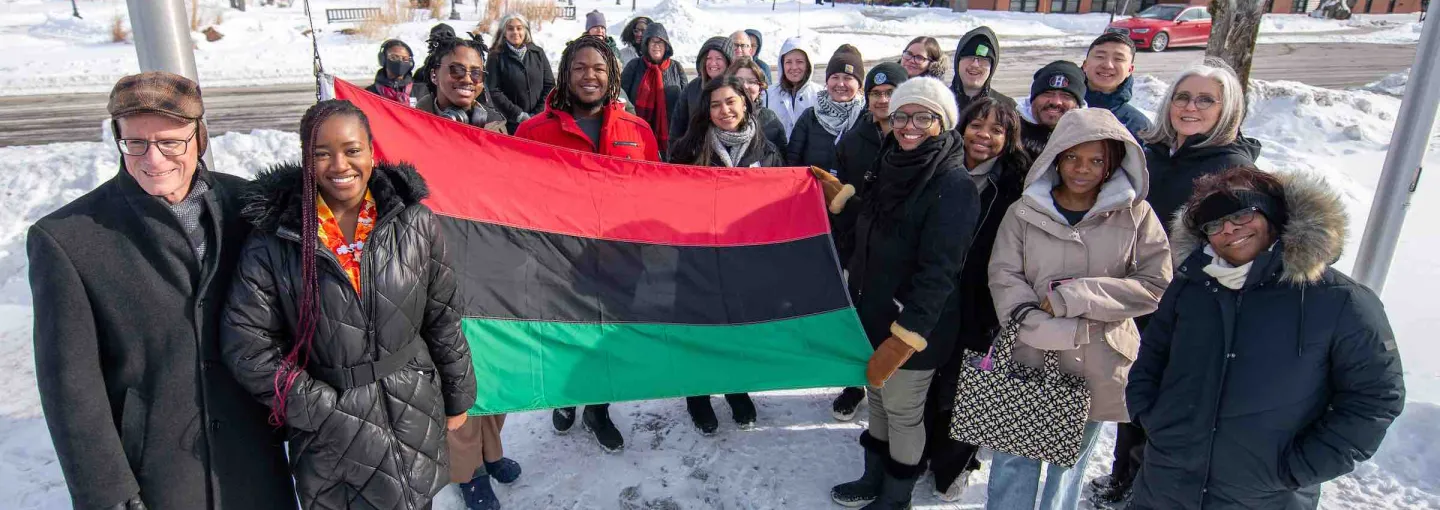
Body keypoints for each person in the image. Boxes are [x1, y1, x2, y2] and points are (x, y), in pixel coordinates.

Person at [28, 71, 297, 510]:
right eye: (136, 143)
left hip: (255, 463)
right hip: (157, 474)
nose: (153, 159)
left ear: (199, 137)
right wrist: (106, 492)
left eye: (170, 142)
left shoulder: (249, 206)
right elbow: (70, 386)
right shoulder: (67, 239)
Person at [221, 99, 477, 510]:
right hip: (331, 434)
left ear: (372, 152)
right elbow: (246, 347)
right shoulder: (275, 241)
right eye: (322, 153)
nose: (339, 164)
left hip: (412, 409)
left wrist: (458, 392)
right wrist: (318, 408)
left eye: (352, 150)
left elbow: (442, 315)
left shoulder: (415, 223)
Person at [1127, 166, 1406, 510]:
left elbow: (1375, 397)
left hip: (1267, 497)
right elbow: (1153, 355)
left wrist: (1301, 467)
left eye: (1242, 214)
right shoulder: (1191, 287)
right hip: (1164, 489)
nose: (1228, 229)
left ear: (1273, 214)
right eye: (1213, 223)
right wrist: (1151, 417)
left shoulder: (1340, 300)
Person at [985, 107, 1172, 510]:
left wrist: (1079, 296)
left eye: (1096, 160)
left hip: (1098, 359)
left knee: (1065, 466)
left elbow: (1154, 283)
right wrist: (1032, 321)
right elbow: (1004, 275)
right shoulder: (1023, 211)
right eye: (1072, 157)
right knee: (1014, 460)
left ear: (1113, 163)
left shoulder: (1136, 214)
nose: (1082, 169)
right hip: (1028, 352)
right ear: (1056, 156)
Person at [818, 76, 980, 510]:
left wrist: (905, 336)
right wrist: (845, 200)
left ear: (942, 123)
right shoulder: (889, 163)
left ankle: (895, 498)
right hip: (873, 314)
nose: (909, 125)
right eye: (901, 116)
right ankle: (873, 479)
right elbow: (878, 228)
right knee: (879, 404)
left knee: (904, 413)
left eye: (923, 117)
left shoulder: (953, 185)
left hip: (914, 330)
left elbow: (939, 273)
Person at [516, 37, 660, 453]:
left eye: (598, 68)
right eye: (579, 67)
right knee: (565, 334)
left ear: (612, 74)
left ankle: (598, 408)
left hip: (619, 259)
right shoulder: (533, 132)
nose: (589, 76)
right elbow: (517, 195)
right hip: (558, 259)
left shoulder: (638, 131)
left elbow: (655, 192)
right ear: (565, 74)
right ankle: (563, 399)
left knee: (605, 338)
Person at [923, 96, 1033, 502]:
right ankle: (921, 452)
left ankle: (954, 464)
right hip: (934, 297)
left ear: (1009, 139)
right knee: (926, 381)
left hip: (981, 304)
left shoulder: (1014, 187)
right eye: (977, 125)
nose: (984, 136)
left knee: (965, 387)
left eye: (997, 130)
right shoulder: (938, 169)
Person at [827, 62, 909, 424]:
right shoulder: (854, 138)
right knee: (858, 318)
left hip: (900, 250)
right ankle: (854, 385)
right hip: (859, 246)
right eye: (875, 93)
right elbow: (841, 194)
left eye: (889, 93)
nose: (881, 100)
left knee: (891, 320)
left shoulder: (915, 139)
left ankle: (887, 383)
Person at [1144, 59, 1262, 236]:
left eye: (1205, 100)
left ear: (1227, 110)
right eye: (1182, 97)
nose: (1190, 107)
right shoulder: (1150, 155)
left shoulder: (1234, 169)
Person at [786, 44, 865, 173]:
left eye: (848, 78)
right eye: (835, 77)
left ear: (859, 84)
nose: (840, 84)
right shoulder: (811, 117)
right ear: (827, 81)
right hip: (814, 191)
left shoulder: (866, 118)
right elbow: (792, 162)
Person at [620, 22, 686, 161]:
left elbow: (686, 100)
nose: (656, 46)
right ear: (646, 45)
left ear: (666, 46)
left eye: (660, 42)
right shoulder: (634, 66)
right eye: (652, 42)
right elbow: (621, 96)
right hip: (637, 131)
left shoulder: (676, 67)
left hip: (670, 134)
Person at [419, 36, 507, 132]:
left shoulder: (495, 128)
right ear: (434, 75)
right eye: (456, 70)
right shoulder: (411, 125)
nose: (467, 80)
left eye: (476, 73)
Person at [487, 13, 555, 133]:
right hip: (510, 123)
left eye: (519, 28)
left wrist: (538, 113)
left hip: (539, 121)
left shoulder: (537, 53)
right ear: (504, 32)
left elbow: (549, 85)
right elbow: (493, 90)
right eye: (510, 28)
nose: (515, 32)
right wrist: (518, 114)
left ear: (525, 30)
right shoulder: (495, 56)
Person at [1082, 32, 1152, 143]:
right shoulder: (1059, 108)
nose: (1108, 65)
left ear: (1130, 69)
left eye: (1118, 59)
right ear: (1085, 65)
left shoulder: (1138, 125)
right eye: (1100, 57)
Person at [669, 36, 735, 147]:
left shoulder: (736, 87)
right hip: (695, 153)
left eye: (719, 59)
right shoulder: (692, 88)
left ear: (728, 62)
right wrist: (674, 153)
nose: (713, 63)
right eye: (709, 58)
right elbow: (677, 126)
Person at [1021, 60, 1087, 159]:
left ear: (1078, 104)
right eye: (1048, 93)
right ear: (1032, 99)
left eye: (1066, 96)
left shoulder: (1090, 136)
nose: (1056, 102)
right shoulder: (1010, 131)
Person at [725, 56, 787, 153]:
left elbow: (781, 160)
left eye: (752, 82)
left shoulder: (770, 119)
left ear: (760, 88)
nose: (745, 86)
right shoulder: (719, 115)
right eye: (739, 80)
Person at [766, 36, 822, 139]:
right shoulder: (767, 95)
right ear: (782, 64)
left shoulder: (820, 95)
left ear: (808, 65)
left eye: (799, 61)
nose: (794, 67)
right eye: (788, 62)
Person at [951, 27, 1017, 113]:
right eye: (969, 56)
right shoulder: (937, 102)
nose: (975, 64)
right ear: (958, 61)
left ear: (992, 66)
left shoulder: (1006, 108)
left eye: (983, 58)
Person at [413, 23, 459, 99]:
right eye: (437, 43)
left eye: (447, 43)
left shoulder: (463, 71)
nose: (442, 47)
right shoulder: (421, 73)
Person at [368, 38, 418, 107]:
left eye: (405, 58)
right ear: (383, 59)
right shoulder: (370, 93)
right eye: (394, 57)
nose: (400, 61)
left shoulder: (422, 90)